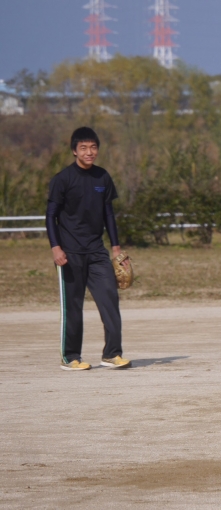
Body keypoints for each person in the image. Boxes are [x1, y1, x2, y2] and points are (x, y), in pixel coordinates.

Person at [46, 127, 131, 371]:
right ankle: (70, 357)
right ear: (74, 151)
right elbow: (50, 216)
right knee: (73, 307)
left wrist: (116, 248)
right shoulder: (63, 179)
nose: (89, 152)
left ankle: (112, 354)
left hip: (97, 252)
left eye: (93, 147)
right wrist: (56, 248)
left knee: (110, 299)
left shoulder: (102, 177)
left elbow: (108, 214)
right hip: (69, 253)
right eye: (83, 148)